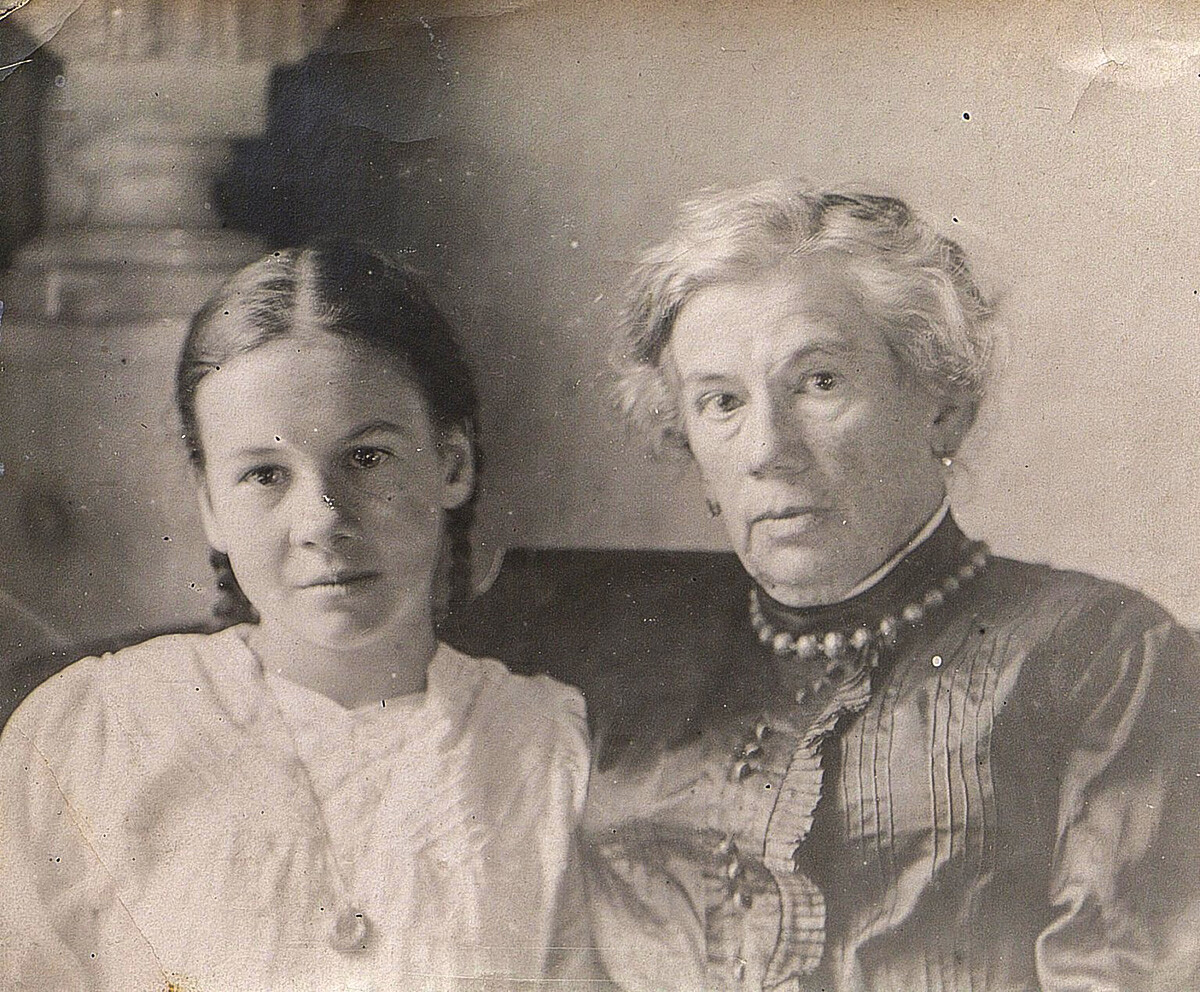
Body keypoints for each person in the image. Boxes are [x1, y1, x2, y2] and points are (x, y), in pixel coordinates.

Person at [583, 181, 1200, 991]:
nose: (768, 447)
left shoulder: (1106, 655)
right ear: (690, 444)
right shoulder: (621, 674)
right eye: (722, 401)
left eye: (820, 382)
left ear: (944, 409)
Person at [0, 243, 589, 991]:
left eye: (367, 458)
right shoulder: (96, 735)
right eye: (265, 475)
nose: (322, 519)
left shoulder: (539, 747)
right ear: (210, 504)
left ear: (452, 463)